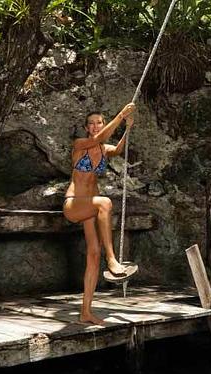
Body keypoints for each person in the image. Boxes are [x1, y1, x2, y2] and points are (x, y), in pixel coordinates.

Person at [63, 103, 137, 325]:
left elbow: (117, 149)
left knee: (93, 255)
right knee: (105, 202)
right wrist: (120, 115)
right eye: (91, 123)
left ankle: (86, 311)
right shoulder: (80, 144)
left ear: (103, 124)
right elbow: (97, 140)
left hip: (89, 208)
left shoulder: (104, 150)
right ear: (87, 128)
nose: (95, 126)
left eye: (99, 122)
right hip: (74, 203)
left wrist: (127, 128)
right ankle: (112, 259)